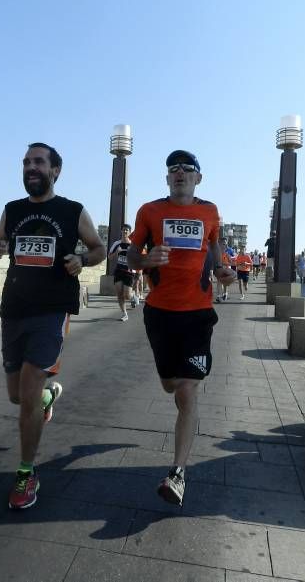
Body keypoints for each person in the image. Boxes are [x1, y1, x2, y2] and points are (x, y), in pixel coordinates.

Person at [0, 143, 106, 510]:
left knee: (27, 389)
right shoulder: (13, 210)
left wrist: (81, 259)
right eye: (25, 162)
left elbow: (99, 249)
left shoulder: (72, 211)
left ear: (55, 170)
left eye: (38, 162)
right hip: (14, 309)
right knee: (17, 396)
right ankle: (47, 397)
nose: (30, 167)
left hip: (52, 311)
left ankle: (26, 473)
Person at [127, 149, 235, 506]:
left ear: (198, 178)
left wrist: (221, 270)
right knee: (170, 384)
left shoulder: (209, 211)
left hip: (198, 314)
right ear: (167, 177)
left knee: (187, 391)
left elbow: (214, 245)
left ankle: (177, 473)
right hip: (159, 312)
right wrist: (145, 259)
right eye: (173, 169)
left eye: (188, 169)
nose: (180, 174)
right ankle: (174, 382)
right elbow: (131, 256)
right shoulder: (150, 211)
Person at [108, 224, 137, 321]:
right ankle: (125, 314)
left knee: (127, 295)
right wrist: (117, 252)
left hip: (129, 271)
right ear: (121, 231)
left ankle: (133, 296)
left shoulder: (133, 244)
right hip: (119, 271)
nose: (125, 232)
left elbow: (138, 258)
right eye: (124, 230)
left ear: (129, 232)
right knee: (119, 294)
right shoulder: (117, 244)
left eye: (127, 230)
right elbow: (109, 257)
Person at [214, 238, 235, 303]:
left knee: (225, 284)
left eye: (226, 244)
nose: (225, 246)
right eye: (223, 244)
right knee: (219, 282)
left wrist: (226, 264)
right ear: (219, 244)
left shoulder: (227, 254)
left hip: (226, 269)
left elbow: (232, 262)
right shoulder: (216, 253)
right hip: (219, 270)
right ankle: (218, 296)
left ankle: (225, 293)